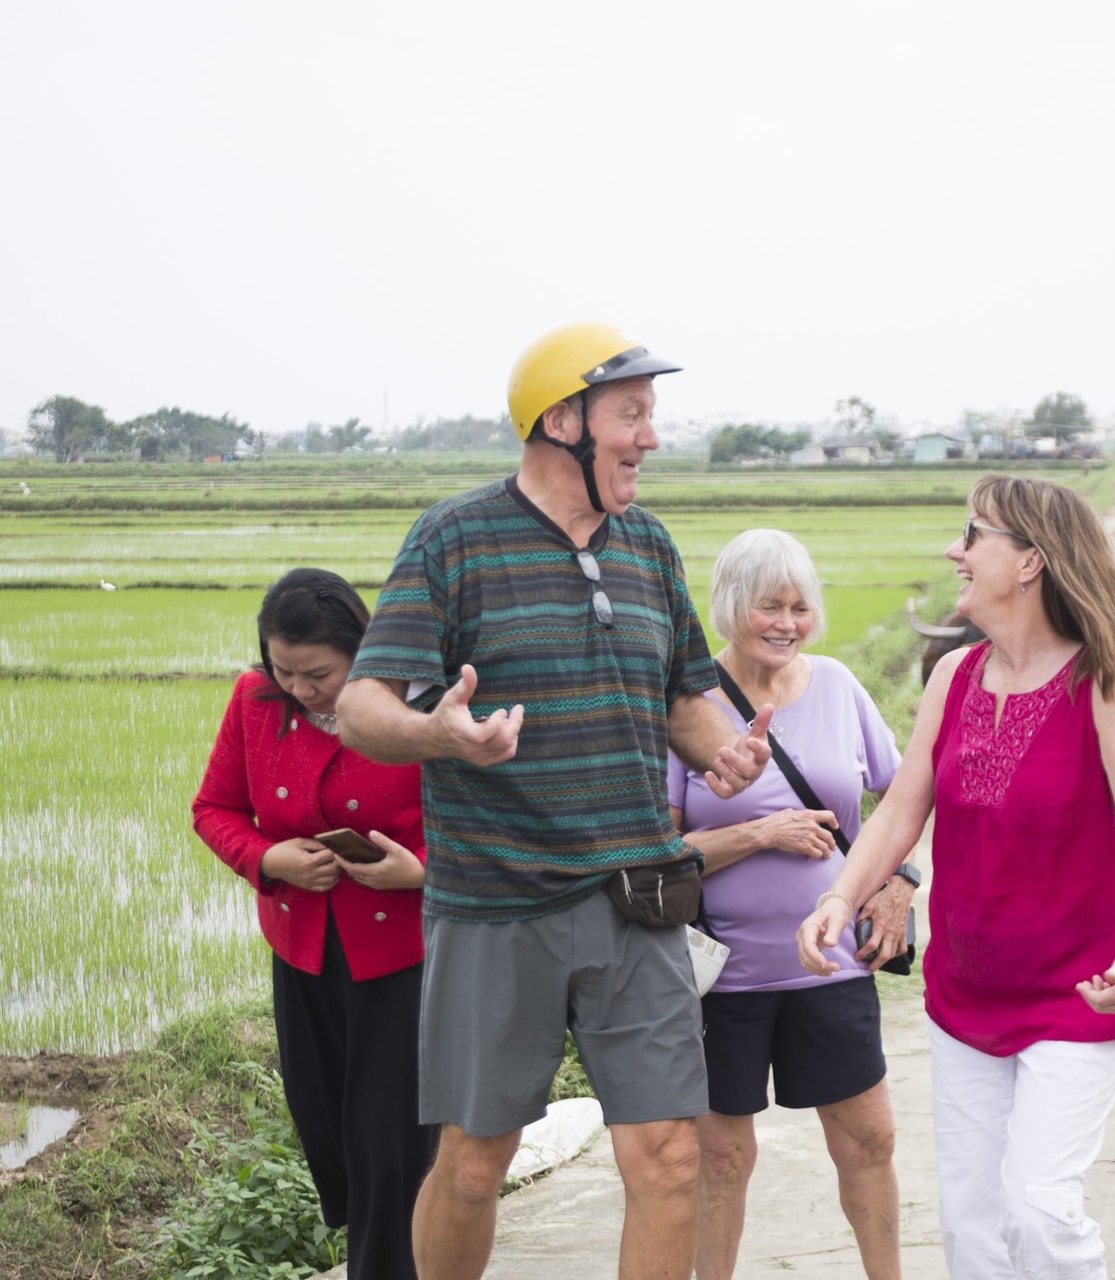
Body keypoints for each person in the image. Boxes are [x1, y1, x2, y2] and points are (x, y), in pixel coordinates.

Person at [334, 322, 772, 1280]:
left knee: (668, 1155)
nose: (650, 438)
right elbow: (362, 707)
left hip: (637, 900)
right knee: (473, 1166)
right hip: (498, 904)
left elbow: (681, 698)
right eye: (633, 416)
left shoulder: (648, 546)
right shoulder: (456, 538)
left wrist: (721, 758)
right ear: (562, 421)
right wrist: (439, 733)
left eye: (651, 416)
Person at [797, 475, 1115, 1280]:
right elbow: (902, 811)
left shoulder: (1103, 682)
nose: (955, 551)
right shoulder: (954, 677)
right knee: (972, 1230)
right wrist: (839, 895)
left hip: (1077, 992)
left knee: (1040, 1212)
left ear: (1031, 560)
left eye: (972, 535)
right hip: (965, 991)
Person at [664, 528, 911, 1280]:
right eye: (768, 605)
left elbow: (907, 799)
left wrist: (901, 884)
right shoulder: (688, 707)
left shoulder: (838, 686)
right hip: (720, 978)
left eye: (800, 607)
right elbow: (655, 854)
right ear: (731, 606)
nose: (785, 623)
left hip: (833, 967)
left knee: (868, 1142)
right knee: (722, 1157)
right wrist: (760, 832)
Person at [191, 568, 435, 1280]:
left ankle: (384, 1265)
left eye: (319, 673)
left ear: (363, 651)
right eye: (284, 670)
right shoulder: (255, 703)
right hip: (303, 946)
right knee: (326, 1125)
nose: (301, 688)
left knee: (388, 1140)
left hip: (402, 953)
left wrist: (418, 870)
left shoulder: (413, 708)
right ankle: (389, 1248)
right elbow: (215, 810)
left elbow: (478, 825)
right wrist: (268, 857)